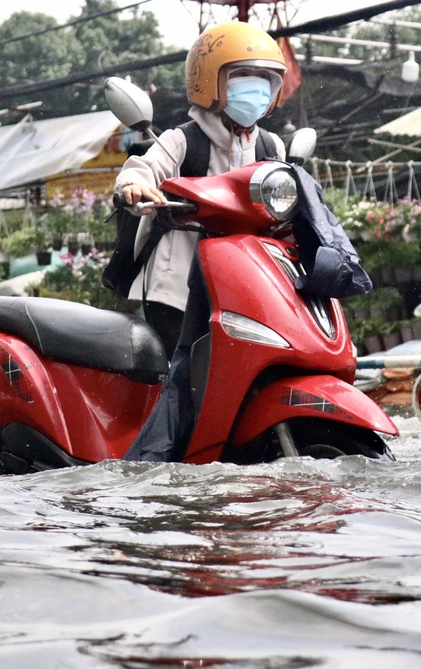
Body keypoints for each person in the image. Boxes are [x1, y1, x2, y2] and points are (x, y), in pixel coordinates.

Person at [118, 21, 287, 462]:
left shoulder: (271, 146)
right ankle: (154, 462)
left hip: (246, 288)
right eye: (243, 81)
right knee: (186, 379)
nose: (257, 93)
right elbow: (141, 167)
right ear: (210, 82)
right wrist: (136, 187)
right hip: (177, 288)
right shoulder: (181, 140)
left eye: (265, 83)